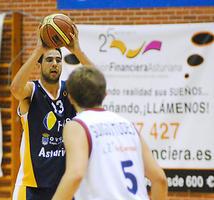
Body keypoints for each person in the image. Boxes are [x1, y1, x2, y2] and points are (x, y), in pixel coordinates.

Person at [52, 67, 168, 200]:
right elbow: (160, 179)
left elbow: (75, 174)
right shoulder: (128, 125)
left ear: (70, 97)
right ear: (105, 94)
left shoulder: (77, 125)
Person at [10, 24, 93, 200]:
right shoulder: (32, 91)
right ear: (39, 65)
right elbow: (16, 89)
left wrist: (77, 51)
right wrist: (39, 50)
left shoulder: (70, 90)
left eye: (58, 60)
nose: (54, 63)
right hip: (32, 187)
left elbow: (97, 82)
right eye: (49, 60)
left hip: (64, 186)